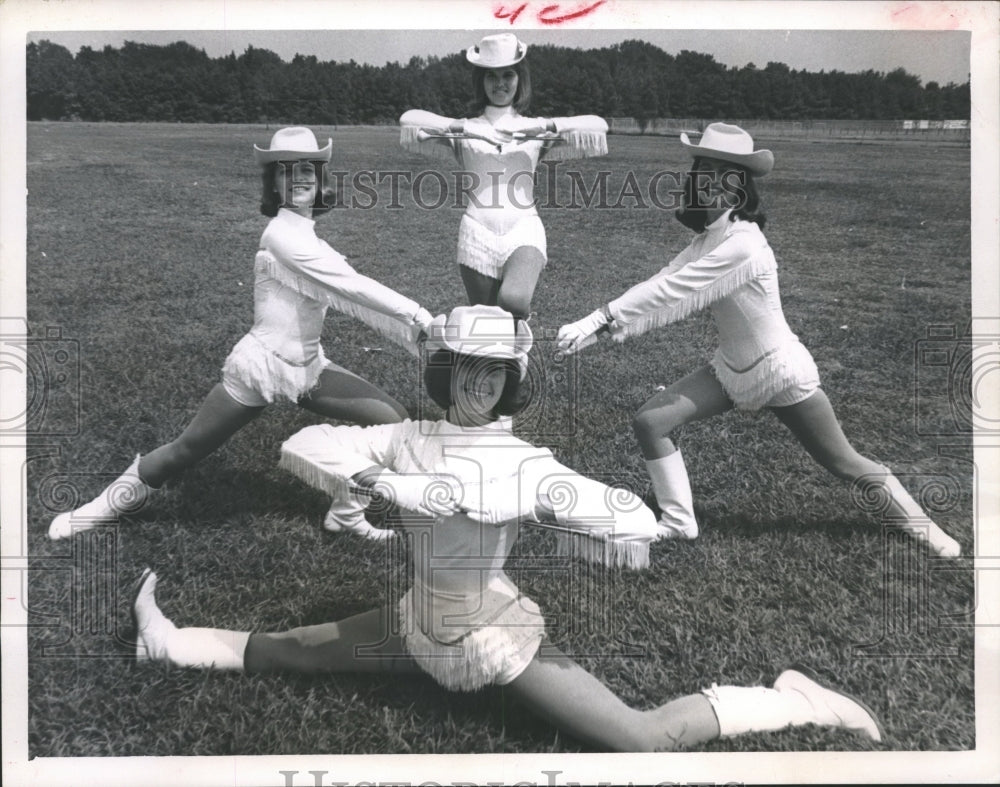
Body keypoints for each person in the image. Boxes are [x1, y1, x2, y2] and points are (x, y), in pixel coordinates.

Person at [132, 305, 884, 752]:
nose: (482, 383)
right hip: (414, 620)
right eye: (469, 369)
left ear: (508, 382)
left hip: (493, 634)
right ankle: (166, 640)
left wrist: (551, 503)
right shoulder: (408, 434)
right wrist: (395, 483)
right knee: (296, 650)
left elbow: (630, 518)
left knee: (639, 739)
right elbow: (306, 444)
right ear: (449, 370)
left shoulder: (523, 458)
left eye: (495, 373)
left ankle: (795, 698)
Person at [556, 122, 961, 558]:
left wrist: (601, 317)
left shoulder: (744, 243)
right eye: (705, 172)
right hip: (731, 371)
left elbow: (672, 291)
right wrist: (596, 329)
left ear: (740, 189)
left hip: (779, 371)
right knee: (651, 421)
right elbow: (665, 278)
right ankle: (678, 522)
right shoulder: (709, 237)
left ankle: (923, 528)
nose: (712, 183)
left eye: (725, 176)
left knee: (843, 461)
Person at [49, 127, 434, 542]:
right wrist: (418, 317)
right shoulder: (281, 235)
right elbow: (351, 286)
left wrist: (418, 331)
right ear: (274, 183)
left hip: (308, 367)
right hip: (262, 366)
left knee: (392, 419)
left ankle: (346, 513)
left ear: (321, 178)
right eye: (286, 172)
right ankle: (100, 507)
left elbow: (349, 290)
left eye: (308, 168)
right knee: (186, 450)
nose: (299, 178)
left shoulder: (306, 234)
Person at [398, 33, 609, 323]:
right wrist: (459, 127)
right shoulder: (465, 129)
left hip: (523, 229)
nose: (500, 83)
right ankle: (508, 363)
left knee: (514, 300)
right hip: (475, 233)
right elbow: (408, 119)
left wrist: (546, 126)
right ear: (480, 81)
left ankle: (516, 340)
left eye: (508, 74)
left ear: (520, 78)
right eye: (491, 76)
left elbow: (599, 126)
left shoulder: (536, 128)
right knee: (489, 331)